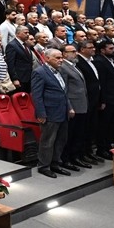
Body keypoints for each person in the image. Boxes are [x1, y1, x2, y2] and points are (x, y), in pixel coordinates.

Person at [31, 48, 73, 178]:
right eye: (57, 58)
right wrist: (41, 114)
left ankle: (55, 163)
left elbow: (63, 92)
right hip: (49, 113)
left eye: (61, 57)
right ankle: (44, 166)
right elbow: (36, 96)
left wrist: (69, 107)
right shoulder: (39, 72)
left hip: (62, 111)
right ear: (47, 58)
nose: (61, 60)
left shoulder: (59, 72)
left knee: (61, 140)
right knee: (47, 142)